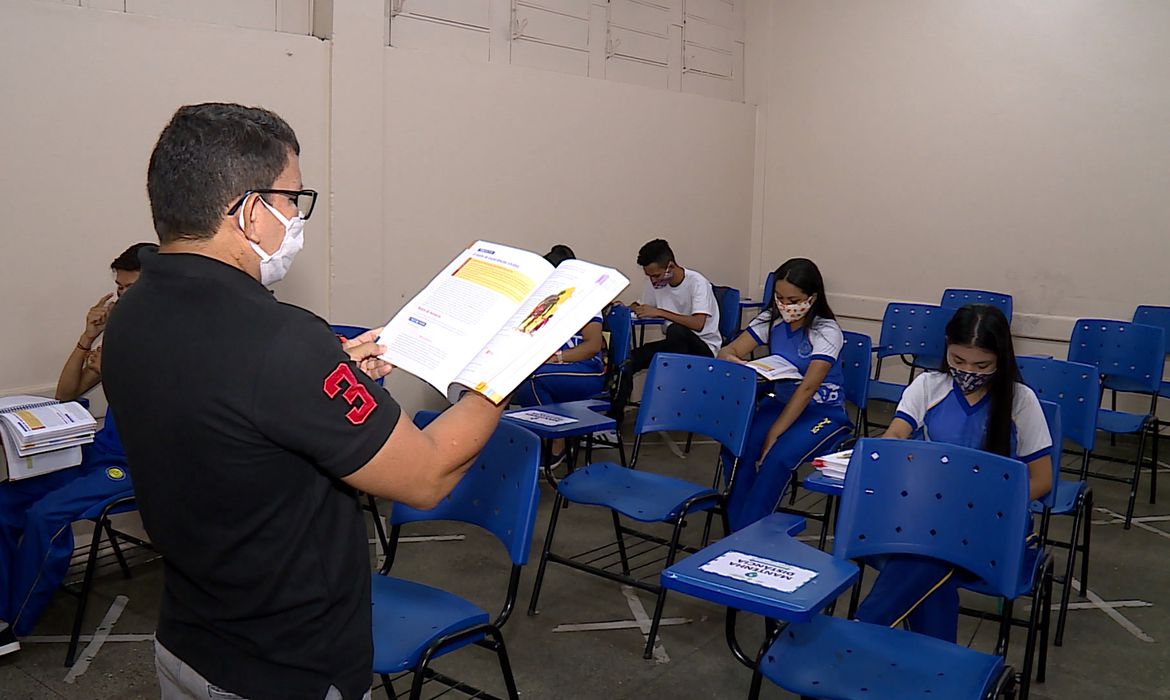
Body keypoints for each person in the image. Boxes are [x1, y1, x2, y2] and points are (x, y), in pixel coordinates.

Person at [102, 103, 507, 700]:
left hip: (191, 640)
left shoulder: (132, 314)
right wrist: (501, 371)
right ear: (246, 213)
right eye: (292, 199)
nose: (296, 215)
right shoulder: (280, 339)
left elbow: (229, 417)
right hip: (288, 666)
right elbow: (427, 475)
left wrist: (330, 377)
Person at [854, 304, 1053, 642]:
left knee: (923, 558)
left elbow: (1042, 480)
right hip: (930, 512)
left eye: (982, 365)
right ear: (946, 347)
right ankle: (933, 667)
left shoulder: (1021, 400)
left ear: (1001, 359)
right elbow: (895, 436)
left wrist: (994, 504)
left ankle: (860, 633)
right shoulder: (928, 386)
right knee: (930, 566)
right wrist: (892, 454)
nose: (968, 372)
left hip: (995, 519)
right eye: (958, 361)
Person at [0, 243, 153, 656]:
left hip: (138, 466)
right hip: (96, 456)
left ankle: (15, 622)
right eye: (119, 290)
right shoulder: (122, 334)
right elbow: (66, 394)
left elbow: (170, 419)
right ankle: (1, 605)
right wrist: (89, 337)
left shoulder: (176, 342)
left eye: (132, 289)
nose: (123, 299)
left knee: (44, 515)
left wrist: (118, 374)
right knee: (2, 501)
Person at [715, 258, 852, 531]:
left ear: (812, 297)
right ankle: (734, 529)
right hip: (780, 402)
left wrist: (775, 434)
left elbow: (807, 389)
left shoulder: (826, 330)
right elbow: (726, 352)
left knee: (775, 458)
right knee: (739, 450)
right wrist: (739, 364)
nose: (787, 306)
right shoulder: (770, 320)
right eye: (779, 298)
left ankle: (749, 535)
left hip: (822, 412)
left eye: (794, 299)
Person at [617, 239, 722, 409]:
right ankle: (614, 420)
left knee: (675, 330)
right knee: (628, 361)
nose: (652, 281)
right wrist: (626, 308)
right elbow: (642, 305)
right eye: (649, 276)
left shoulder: (698, 283)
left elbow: (698, 323)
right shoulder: (655, 283)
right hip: (674, 346)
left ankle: (673, 398)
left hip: (703, 347)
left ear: (670, 267)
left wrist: (660, 312)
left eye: (656, 275)